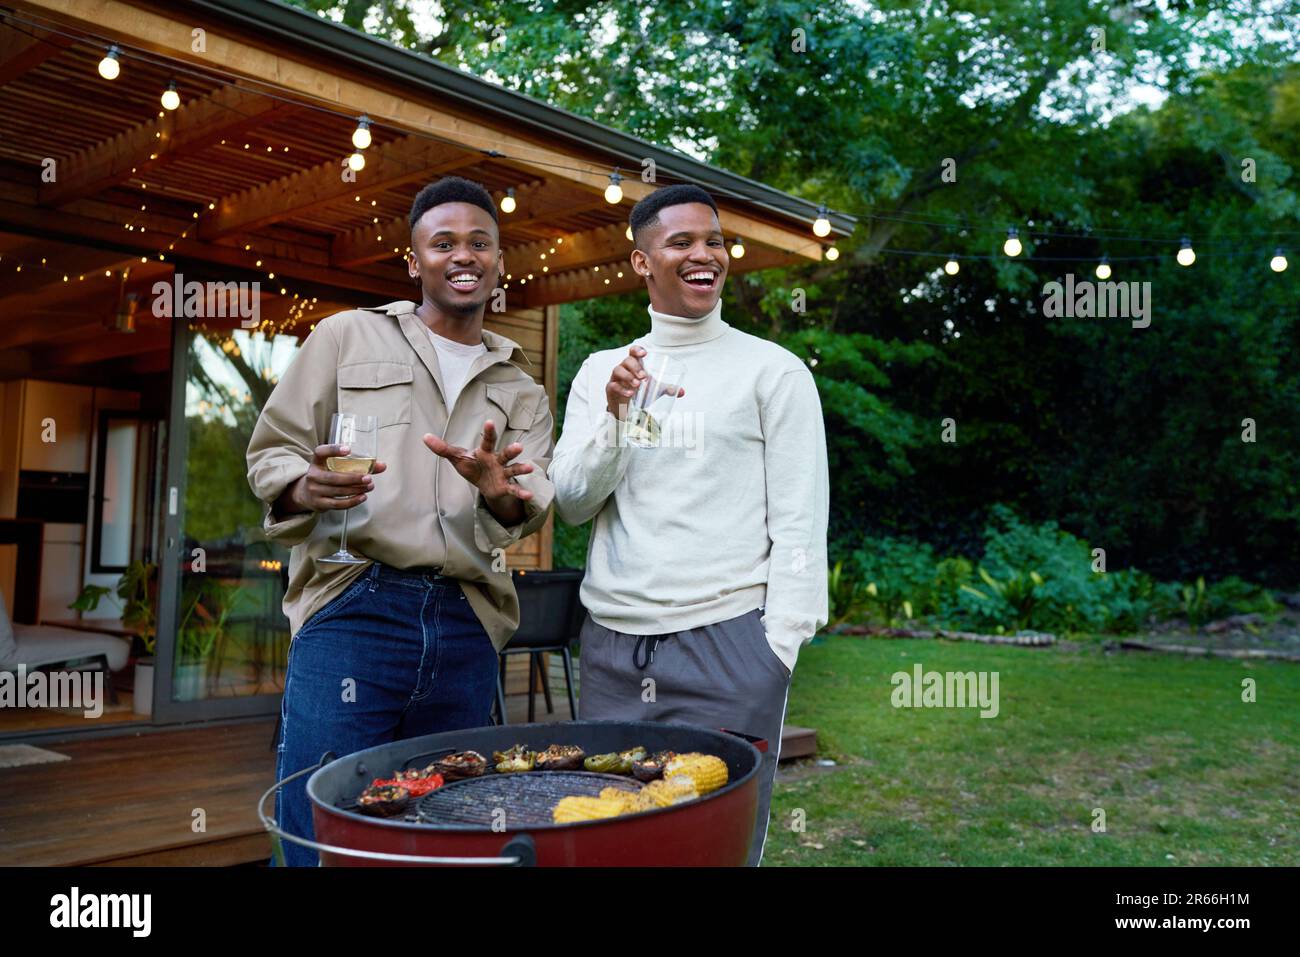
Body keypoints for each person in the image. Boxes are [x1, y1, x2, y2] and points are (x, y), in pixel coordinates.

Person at [246, 176, 554, 866]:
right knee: (317, 823)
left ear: (500, 262)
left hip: (467, 618)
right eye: (443, 242)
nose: (463, 255)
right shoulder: (345, 337)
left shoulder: (521, 387)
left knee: (451, 825)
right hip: (355, 603)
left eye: (480, 242)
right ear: (414, 261)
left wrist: (497, 491)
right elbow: (272, 452)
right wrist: (304, 484)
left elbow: (521, 508)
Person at [550, 183, 829, 866]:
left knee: (714, 848)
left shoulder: (774, 371)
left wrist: (777, 649)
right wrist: (616, 416)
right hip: (615, 649)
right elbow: (574, 499)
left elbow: (800, 519)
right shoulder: (601, 372)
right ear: (643, 261)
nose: (705, 254)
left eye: (713, 240)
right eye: (682, 242)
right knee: (612, 841)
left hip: (729, 648)